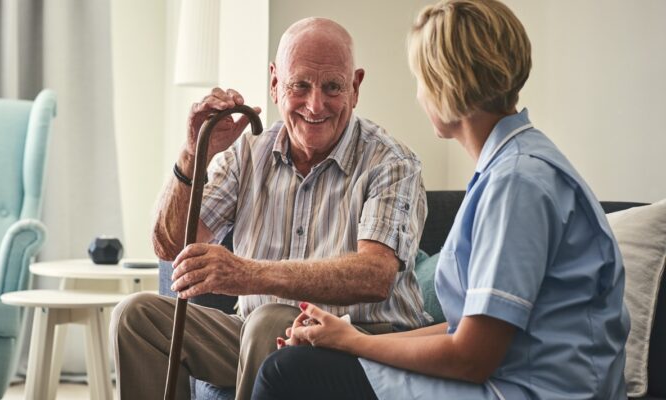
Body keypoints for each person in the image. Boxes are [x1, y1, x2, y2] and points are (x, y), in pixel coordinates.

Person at [252, 0, 631, 399]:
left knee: (288, 372)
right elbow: (468, 330)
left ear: (445, 83)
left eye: (420, 79)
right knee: (307, 361)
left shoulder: (517, 184)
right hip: (510, 377)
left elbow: (471, 357)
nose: (418, 94)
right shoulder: (513, 167)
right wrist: (342, 335)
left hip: (522, 391)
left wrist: (353, 342)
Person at [110, 17, 429, 400]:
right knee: (135, 316)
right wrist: (193, 152)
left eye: (332, 87)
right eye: (300, 85)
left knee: (268, 320)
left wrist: (248, 274)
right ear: (275, 83)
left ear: (355, 87)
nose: (316, 105)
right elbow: (170, 246)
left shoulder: (391, 162)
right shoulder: (247, 154)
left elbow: (374, 276)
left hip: (357, 344)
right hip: (253, 337)